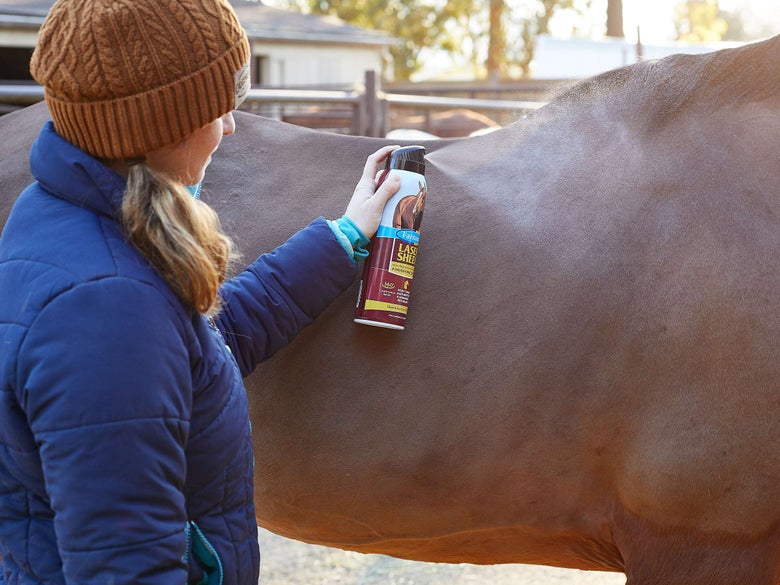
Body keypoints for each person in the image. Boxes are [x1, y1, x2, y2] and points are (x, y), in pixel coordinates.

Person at [0, 1, 400, 584]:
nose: (231, 125)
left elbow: (204, 344)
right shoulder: (106, 310)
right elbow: (127, 568)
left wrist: (343, 237)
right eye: (218, 109)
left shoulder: (65, 216)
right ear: (161, 127)